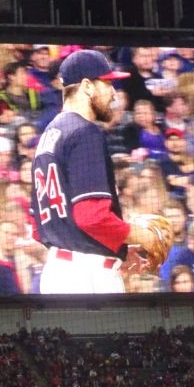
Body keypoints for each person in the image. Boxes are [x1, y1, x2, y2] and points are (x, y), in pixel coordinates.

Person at [31, 49, 170, 294]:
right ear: (87, 86)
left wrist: (118, 250)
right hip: (87, 279)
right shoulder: (85, 132)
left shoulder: (50, 134)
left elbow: (40, 226)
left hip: (59, 273)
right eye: (107, 84)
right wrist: (143, 236)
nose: (114, 93)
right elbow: (91, 218)